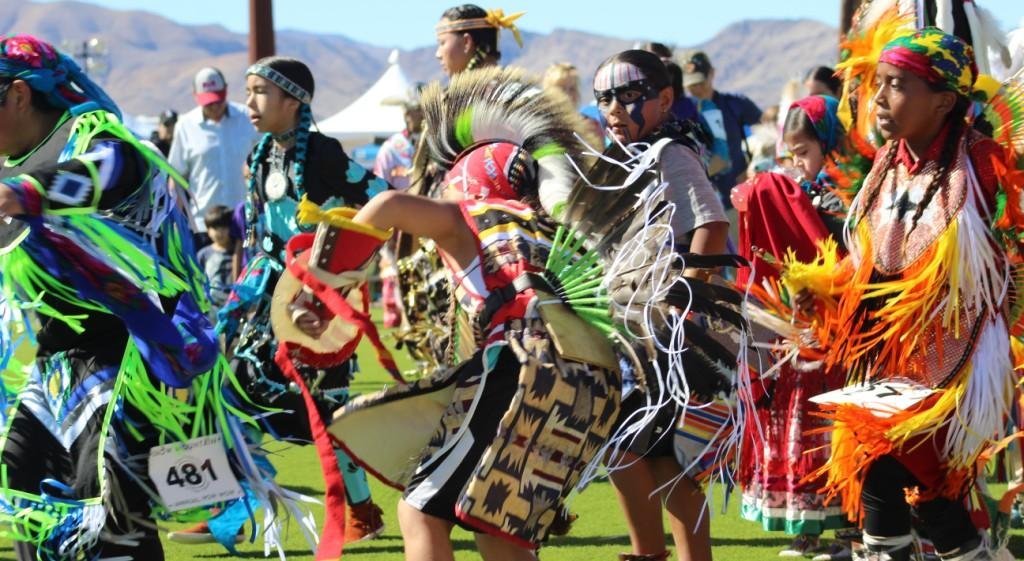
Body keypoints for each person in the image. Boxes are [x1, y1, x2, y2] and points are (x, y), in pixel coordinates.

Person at [0, 34, 278, 560]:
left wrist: (27, 192)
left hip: (125, 361)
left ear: (17, 95)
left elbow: (114, 170)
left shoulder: (88, 136)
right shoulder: (8, 164)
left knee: (111, 513)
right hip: (55, 365)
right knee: (24, 490)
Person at [767, 28, 1020, 561]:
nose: (877, 98)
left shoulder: (982, 164)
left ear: (945, 100)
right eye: (877, 83)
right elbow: (868, 259)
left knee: (897, 468)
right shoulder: (884, 163)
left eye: (898, 85)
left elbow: (1010, 257)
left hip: (954, 354)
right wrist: (827, 291)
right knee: (893, 479)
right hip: (886, 351)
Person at [172, 56, 392, 551]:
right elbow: (259, 237)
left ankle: (357, 511)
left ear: (293, 101)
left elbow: (381, 199)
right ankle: (231, 505)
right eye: (247, 92)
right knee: (228, 391)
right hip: (266, 298)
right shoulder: (259, 156)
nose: (248, 103)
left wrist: (338, 267)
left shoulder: (325, 155)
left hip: (314, 305)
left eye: (260, 93)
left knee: (325, 412)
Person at [590, 49, 731, 561]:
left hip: (662, 337)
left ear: (665, 98)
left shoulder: (670, 153)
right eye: (603, 98)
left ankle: (648, 554)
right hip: (629, 330)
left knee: (629, 448)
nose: (613, 109)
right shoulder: (622, 159)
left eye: (627, 97)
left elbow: (711, 223)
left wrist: (685, 300)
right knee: (663, 461)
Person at [733, 95, 866, 561]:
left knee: (839, 431)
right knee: (799, 425)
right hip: (800, 333)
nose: (797, 163)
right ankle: (804, 525)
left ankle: (851, 529)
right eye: (790, 154)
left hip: (845, 337)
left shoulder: (854, 196)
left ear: (831, 144)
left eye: (804, 151)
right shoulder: (797, 194)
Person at [168, 66, 259, 247]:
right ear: (196, 96)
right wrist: (174, 221)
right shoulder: (186, 126)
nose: (215, 107)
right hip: (205, 226)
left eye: (218, 100)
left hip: (244, 222)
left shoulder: (247, 118)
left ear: (225, 90)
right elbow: (175, 177)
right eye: (208, 103)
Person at [682, 50, 762, 204]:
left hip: (741, 195)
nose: (697, 90)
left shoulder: (735, 104)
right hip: (706, 201)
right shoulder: (682, 115)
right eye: (691, 85)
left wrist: (753, 167)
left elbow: (767, 134)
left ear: (712, 74)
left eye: (700, 83)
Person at [434, 4, 523, 78]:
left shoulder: (466, 98)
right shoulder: (521, 93)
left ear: (466, 42)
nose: (437, 54)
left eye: (442, 43)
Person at [197, 204, 237, 312]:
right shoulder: (204, 254)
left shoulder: (239, 254)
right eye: (214, 228)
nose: (219, 232)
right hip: (211, 306)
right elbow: (198, 280)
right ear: (207, 230)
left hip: (234, 306)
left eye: (224, 227)